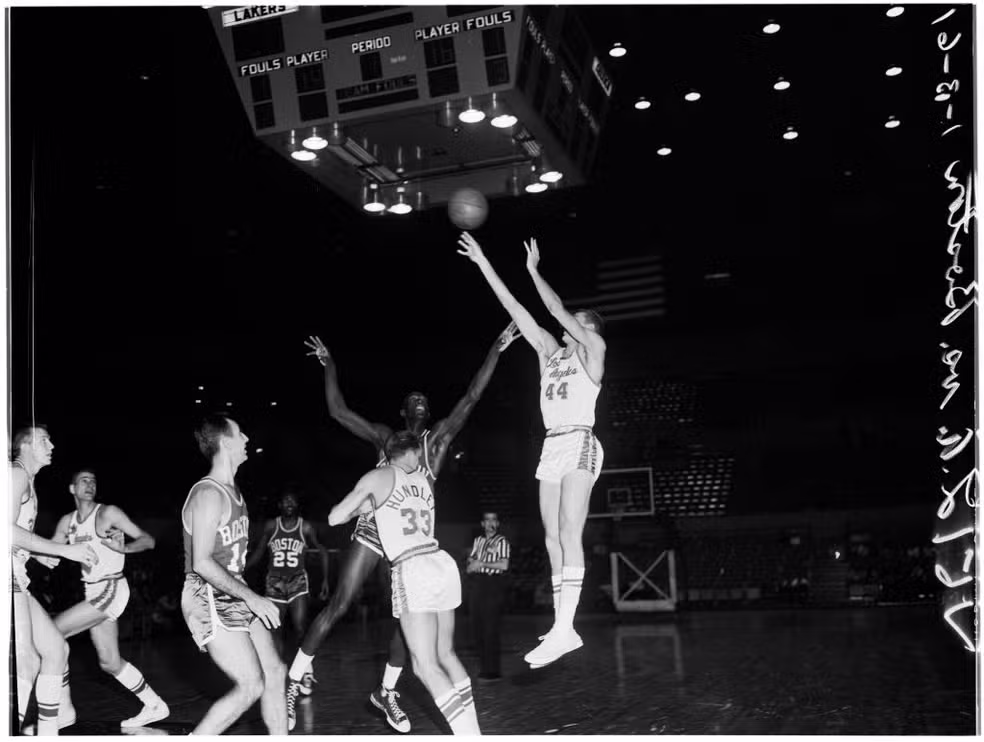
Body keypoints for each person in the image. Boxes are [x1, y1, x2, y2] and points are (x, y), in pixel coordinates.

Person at [285, 322, 519, 732]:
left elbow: (472, 396)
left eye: (424, 399)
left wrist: (496, 349)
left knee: (405, 621)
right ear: (402, 412)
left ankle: (387, 692)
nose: (420, 402)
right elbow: (338, 412)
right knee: (341, 602)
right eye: (412, 400)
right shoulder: (385, 438)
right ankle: (292, 680)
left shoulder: (438, 440)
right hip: (376, 528)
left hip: (411, 543)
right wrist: (328, 364)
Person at [457, 232, 606, 668]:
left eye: (581, 322)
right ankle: (564, 627)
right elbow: (517, 311)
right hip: (552, 445)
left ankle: (564, 628)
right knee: (550, 536)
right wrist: (484, 262)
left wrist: (532, 271)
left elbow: (556, 307)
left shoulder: (593, 351)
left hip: (580, 440)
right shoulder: (550, 352)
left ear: (591, 330)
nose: (568, 325)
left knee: (567, 530)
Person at [328, 431, 481, 735]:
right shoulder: (423, 480)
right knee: (446, 654)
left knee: (425, 666)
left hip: (413, 567)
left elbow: (335, 517)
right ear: (411, 453)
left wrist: (364, 506)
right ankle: (475, 728)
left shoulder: (378, 477)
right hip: (440, 562)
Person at [180, 413, 287, 735]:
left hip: (232, 588)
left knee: (275, 671)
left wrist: (247, 595)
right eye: (241, 434)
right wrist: (253, 597)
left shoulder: (234, 491)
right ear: (225, 442)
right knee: (250, 685)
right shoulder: (208, 494)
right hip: (207, 594)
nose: (247, 440)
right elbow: (201, 562)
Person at [46, 469, 169, 728]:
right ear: (72, 489)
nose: (90, 484)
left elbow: (148, 540)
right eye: (83, 480)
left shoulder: (108, 513)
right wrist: (26, 548)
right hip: (92, 591)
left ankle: (61, 708)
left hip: (111, 588)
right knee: (110, 662)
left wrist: (124, 548)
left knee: (52, 633)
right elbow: (50, 553)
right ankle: (155, 704)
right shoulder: (67, 522)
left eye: (93, 480)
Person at [10, 425, 98, 735]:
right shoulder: (16, 474)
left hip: (17, 577)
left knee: (56, 651)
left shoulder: (27, 481)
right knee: (25, 665)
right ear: (25, 446)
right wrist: (63, 549)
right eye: (44, 439)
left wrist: (36, 555)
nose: (52, 443)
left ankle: (46, 732)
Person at [244, 489, 329, 695]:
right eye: (285, 500)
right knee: (275, 629)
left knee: (301, 628)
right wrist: (241, 570)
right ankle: (277, 672)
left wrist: (325, 579)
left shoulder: (305, 526)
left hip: (298, 580)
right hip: (274, 582)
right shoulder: (271, 526)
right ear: (280, 505)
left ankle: (306, 672)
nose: (289, 503)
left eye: (292, 500)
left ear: (297, 505)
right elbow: (259, 552)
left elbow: (323, 550)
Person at [466, 511, 511, 680]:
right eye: (487, 520)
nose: (491, 523)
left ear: (497, 524)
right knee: (477, 626)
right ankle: (485, 666)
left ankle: (492, 670)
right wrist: (472, 565)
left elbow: (504, 565)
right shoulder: (478, 541)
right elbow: (470, 564)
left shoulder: (502, 541)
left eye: (494, 520)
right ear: (483, 524)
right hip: (477, 583)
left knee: (490, 628)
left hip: (493, 584)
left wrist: (482, 563)